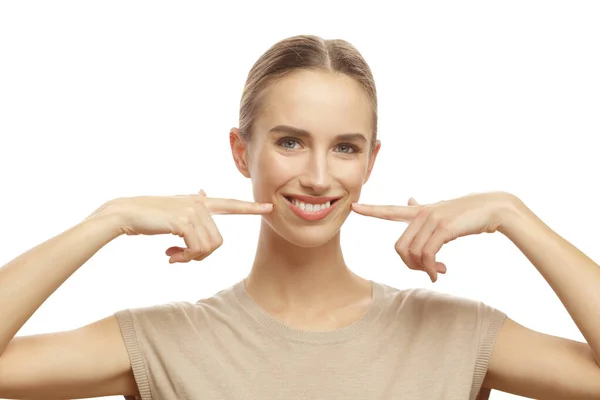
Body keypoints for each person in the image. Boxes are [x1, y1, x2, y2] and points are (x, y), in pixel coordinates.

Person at [0, 34, 599, 400]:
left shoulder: (453, 332)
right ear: (241, 151)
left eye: (345, 147)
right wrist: (107, 220)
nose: (317, 175)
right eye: (289, 142)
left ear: (371, 161)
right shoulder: (166, 342)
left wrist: (514, 215)